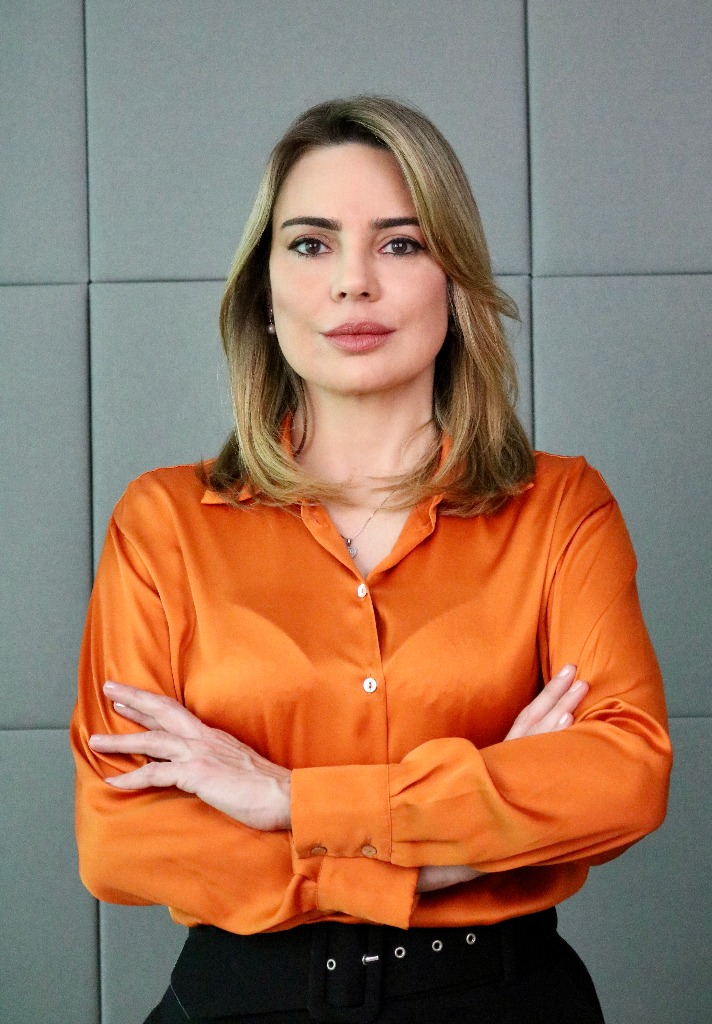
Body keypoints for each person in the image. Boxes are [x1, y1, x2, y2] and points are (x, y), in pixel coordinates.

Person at [71, 96, 672, 1024]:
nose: (353, 283)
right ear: (264, 293)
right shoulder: (163, 523)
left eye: (400, 243)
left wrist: (288, 800)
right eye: (311, 244)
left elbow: (621, 776)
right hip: (241, 1004)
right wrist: (456, 844)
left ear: (455, 283)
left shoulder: (560, 508)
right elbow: (122, 839)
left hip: (502, 1000)